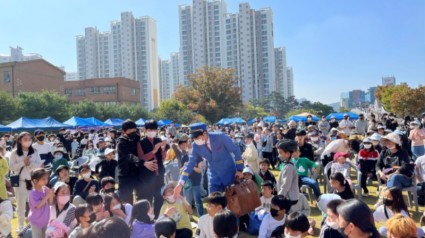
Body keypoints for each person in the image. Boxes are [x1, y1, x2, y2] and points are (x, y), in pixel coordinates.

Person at [174, 122, 244, 196]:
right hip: (213, 176)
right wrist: (180, 183)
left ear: (204, 133)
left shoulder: (220, 137)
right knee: (213, 202)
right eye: (193, 138)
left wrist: (239, 170)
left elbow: (236, 150)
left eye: (197, 138)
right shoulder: (196, 146)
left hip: (229, 174)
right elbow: (190, 164)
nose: (195, 140)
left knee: (233, 201)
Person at [9, 132, 43, 232]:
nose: (28, 141)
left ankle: (33, 223)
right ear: (20, 140)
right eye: (25, 139)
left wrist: (30, 163)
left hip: (33, 182)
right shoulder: (14, 153)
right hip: (21, 181)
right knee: (21, 205)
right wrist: (22, 163)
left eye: (29, 139)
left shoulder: (35, 151)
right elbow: (11, 167)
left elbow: (39, 165)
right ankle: (20, 226)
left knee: (34, 204)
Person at [137, 120, 167, 217]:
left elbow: (163, 157)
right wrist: (154, 151)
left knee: (159, 197)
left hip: (159, 174)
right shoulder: (141, 142)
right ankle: (148, 218)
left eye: (154, 129)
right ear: (145, 130)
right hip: (147, 176)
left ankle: (158, 217)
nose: (152, 131)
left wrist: (163, 149)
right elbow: (141, 158)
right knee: (148, 198)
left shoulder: (158, 140)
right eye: (150, 129)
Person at [117, 120, 142, 205]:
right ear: (124, 131)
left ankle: (140, 216)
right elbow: (128, 156)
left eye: (134, 130)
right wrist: (141, 161)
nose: (133, 132)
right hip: (125, 174)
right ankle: (126, 217)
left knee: (141, 196)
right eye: (130, 130)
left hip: (137, 172)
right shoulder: (121, 142)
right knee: (126, 200)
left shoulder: (137, 139)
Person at [29, 168, 54, 238]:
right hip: (36, 221)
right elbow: (38, 206)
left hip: (45, 220)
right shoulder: (33, 193)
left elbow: (51, 203)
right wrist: (47, 196)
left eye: (47, 178)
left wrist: (51, 195)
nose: (46, 181)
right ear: (35, 181)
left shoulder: (45, 189)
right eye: (43, 179)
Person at [276, 139, 299, 205]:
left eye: (280, 153)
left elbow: (286, 184)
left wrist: (280, 196)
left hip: (289, 197)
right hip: (288, 196)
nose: (279, 155)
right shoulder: (287, 164)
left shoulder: (289, 167)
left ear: (288, 154)